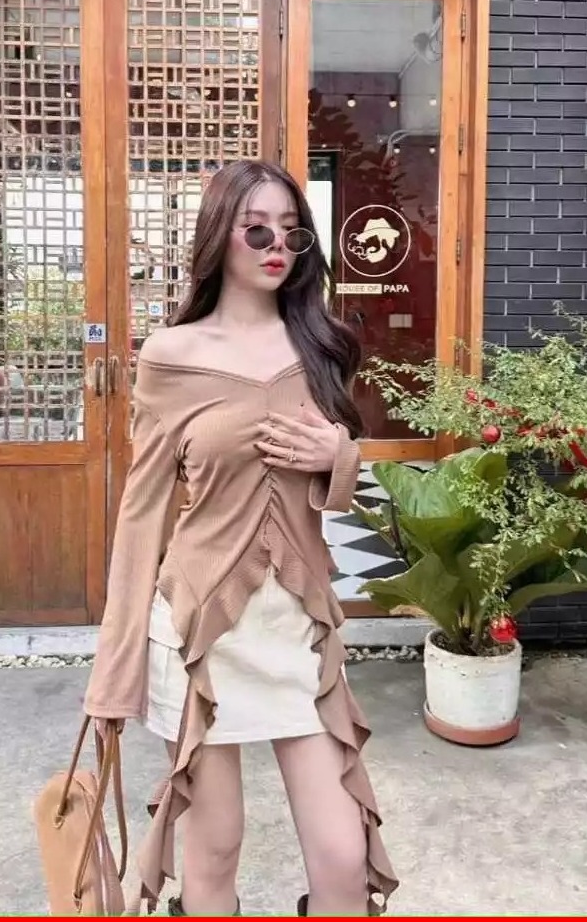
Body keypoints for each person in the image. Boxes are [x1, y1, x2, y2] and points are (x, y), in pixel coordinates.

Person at [83, 160, 398, 917]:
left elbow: (341, 487)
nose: (276, 246)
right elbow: (143, 514)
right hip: (198, 635)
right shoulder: (171, 356)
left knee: (342, 855)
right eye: (257, 230)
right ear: (219, 235)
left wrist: (340, 459)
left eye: (292, 232)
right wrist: (113, 672)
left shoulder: (321, 347)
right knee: (216, 845)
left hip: (297, 631)